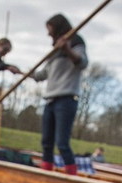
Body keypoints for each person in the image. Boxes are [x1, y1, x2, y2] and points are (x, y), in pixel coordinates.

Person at [31, 14, 88, 174]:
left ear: (57, 27)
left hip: (66, 99)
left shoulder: (76, 41)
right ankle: (45, 174)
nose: (48, 34)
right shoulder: (55, 50)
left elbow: (82, 62)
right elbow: (43, 75)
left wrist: (67, 49)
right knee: (46, 142)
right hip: (50, 100)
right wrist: (24, 73)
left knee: (62, 143)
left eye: (50, 30)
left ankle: (71, 177)